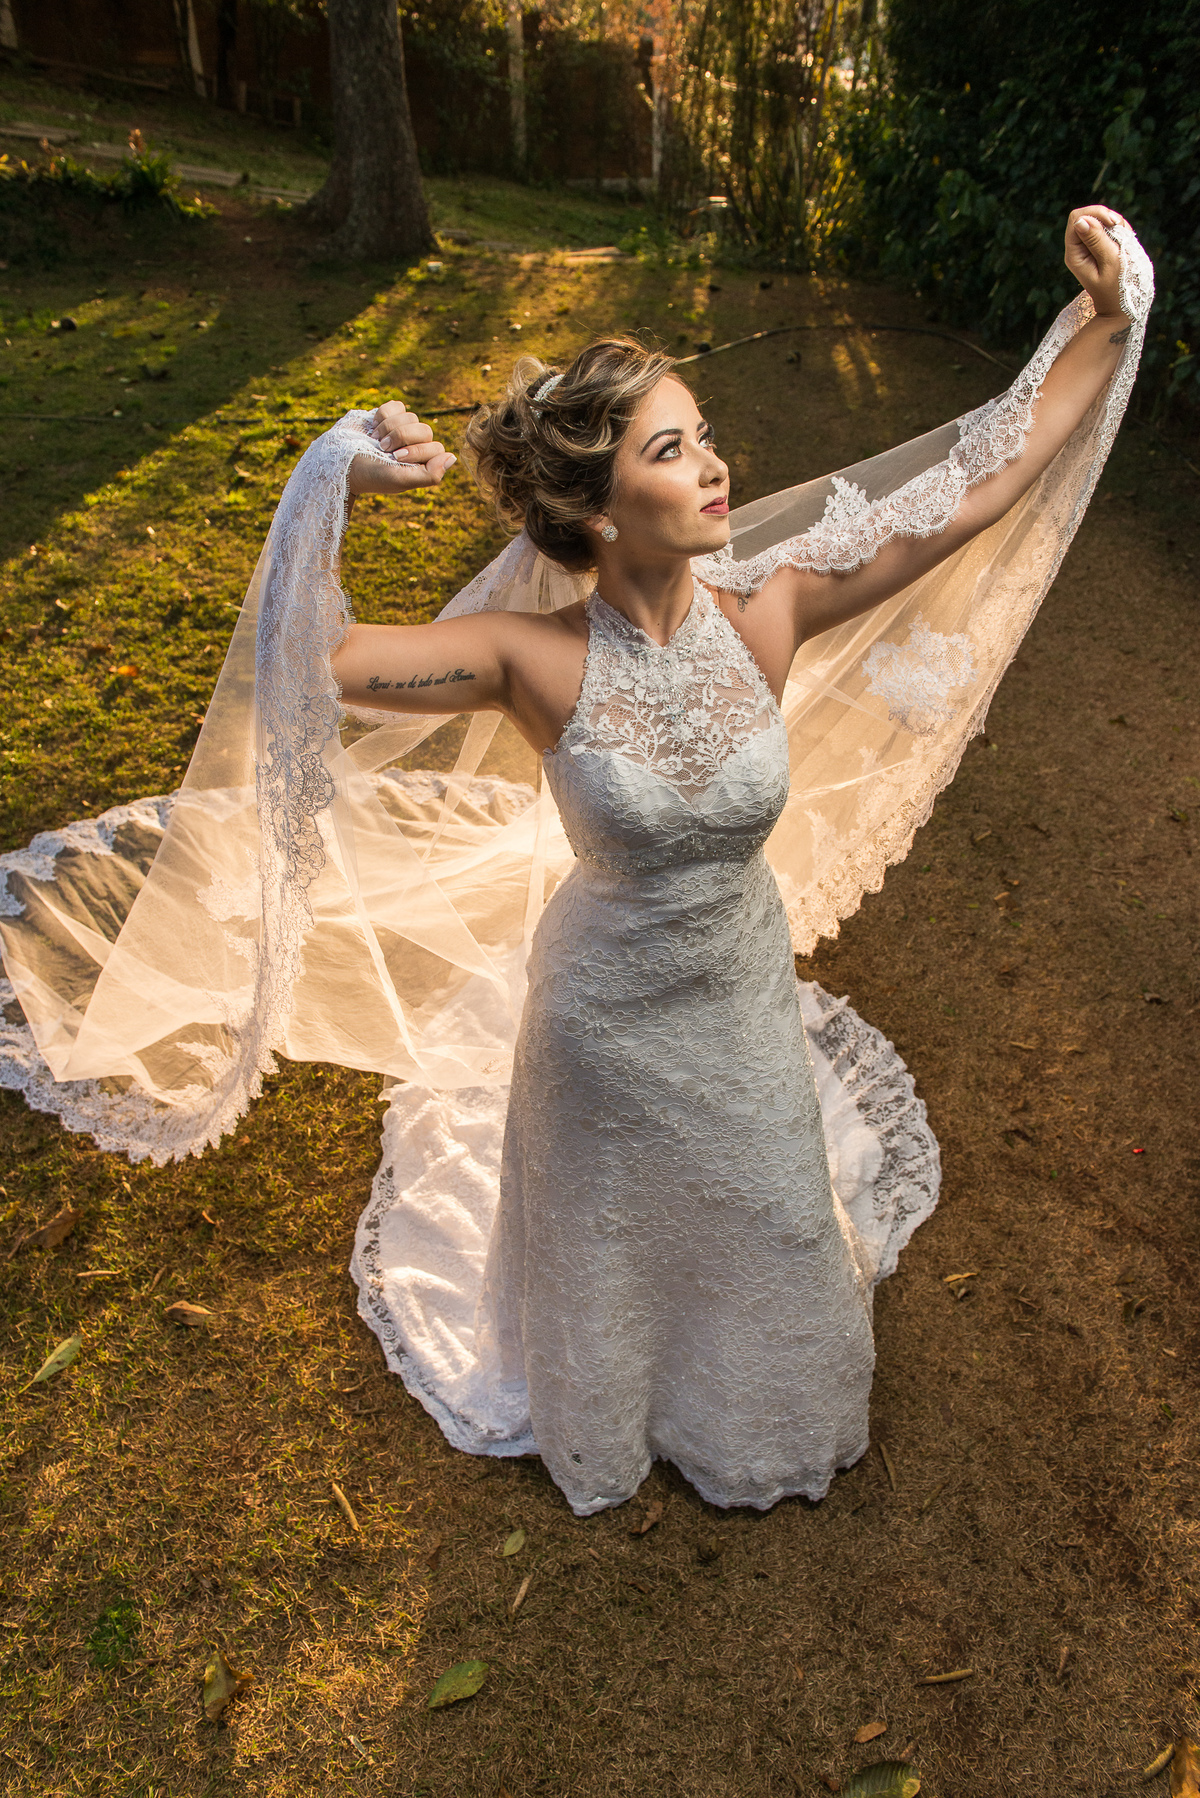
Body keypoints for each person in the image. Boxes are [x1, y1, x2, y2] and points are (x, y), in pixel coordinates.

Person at [0, 208, 1152, 1518]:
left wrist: (1107, 321)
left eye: (705, 433)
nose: (717, 466)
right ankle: (606, 1400)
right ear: (598, 514)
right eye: (675, 449)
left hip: (737, 1003)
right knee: (611, 1250)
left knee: (779, 1222)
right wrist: (331, 479)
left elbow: (982, 484)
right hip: (599, 1028)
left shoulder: (769, 611)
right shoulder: (526, 660)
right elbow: (309, 666)